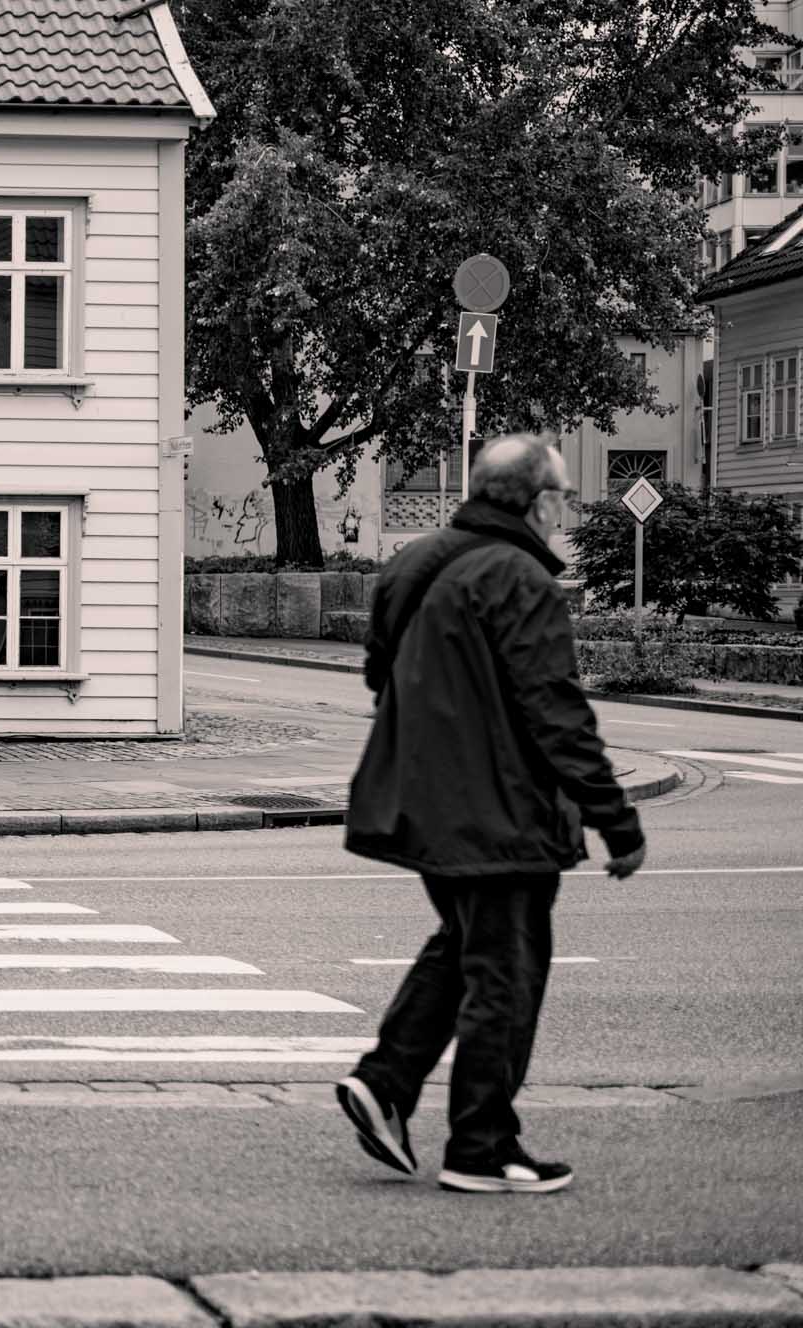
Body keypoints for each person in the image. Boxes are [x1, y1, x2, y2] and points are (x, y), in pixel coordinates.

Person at [337, 434, 646, 1195]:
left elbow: (381, 673)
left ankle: (386, 1081)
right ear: (540, 502)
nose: (566, 508)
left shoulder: (417, 559)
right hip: (500, 811)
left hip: (425, 801)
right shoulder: (518, 577)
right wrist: (617, 819)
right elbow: (555, 710)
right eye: (566, 496)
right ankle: (481, 1147)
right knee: (505, 976)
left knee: (464, 948)